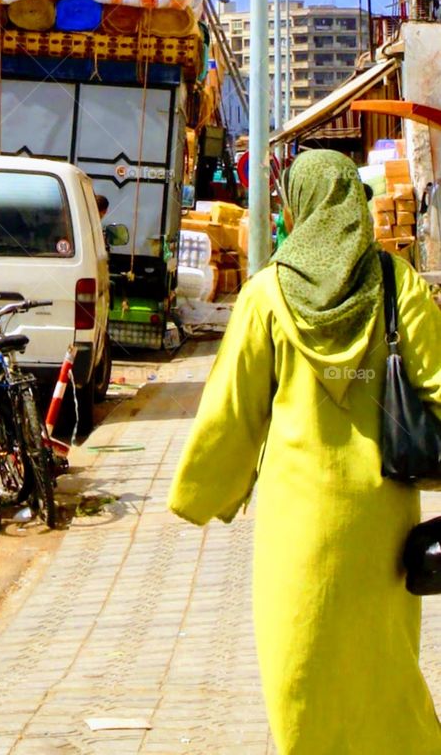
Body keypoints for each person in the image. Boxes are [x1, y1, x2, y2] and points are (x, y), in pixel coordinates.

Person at [167, 149, 441, 754]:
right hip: (383, 523)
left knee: (300, 663)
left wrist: (200, 491)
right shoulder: (397, 284)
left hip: (296, 523)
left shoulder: (267, 295)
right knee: (383, 665)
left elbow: (233, 410)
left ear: (299, 208)